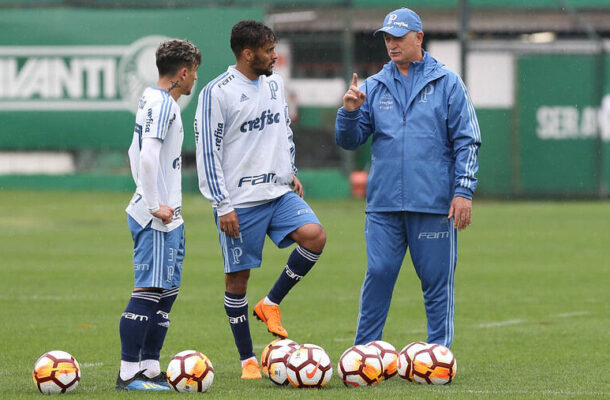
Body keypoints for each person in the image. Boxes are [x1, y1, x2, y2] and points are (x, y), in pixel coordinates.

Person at [335, 8, 481, 349]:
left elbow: (468, 140)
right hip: (384, 204)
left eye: (399, 37)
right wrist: (349, 112)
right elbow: (349, 141)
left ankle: (438, 353)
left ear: (419, 37)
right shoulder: (372, 86)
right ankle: (364, 354)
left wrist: (463, 190)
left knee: (435, 282)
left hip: (433, 204)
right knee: (379, 274)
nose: (392, 44)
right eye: (387, 38)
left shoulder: (447, 83)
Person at [194, 20, 326, 380]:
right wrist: (222, 204)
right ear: (248, 53)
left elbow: (282, 129)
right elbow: (208, 152)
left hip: (279, 191)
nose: (275, 56)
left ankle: (270, 304)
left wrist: (290, 169)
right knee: (237, 282)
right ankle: (247, 360)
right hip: (241, 202)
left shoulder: (274, 84)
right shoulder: (216, 93)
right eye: (269, 50)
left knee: (315, 237)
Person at [118, 39, 200, 391]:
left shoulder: (152, 99)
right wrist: (152, 203)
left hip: (168, 216)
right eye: (194, 72)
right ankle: (128, 374)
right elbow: (147, 154)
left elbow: (132, 151)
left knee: (166, 292)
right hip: (157, 218)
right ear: (183, 73)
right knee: (149, 290)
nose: (195, 78)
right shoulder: (163, 103)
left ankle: (150, 368)